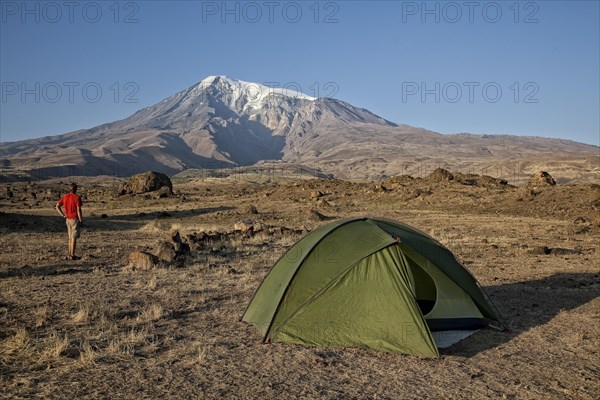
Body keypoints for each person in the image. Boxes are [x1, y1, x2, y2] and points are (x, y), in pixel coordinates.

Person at [55, 183, 83, 260]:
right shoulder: (77, 198)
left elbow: (57, 206)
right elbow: (78, 210)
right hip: (75, 219)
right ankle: (72, 255)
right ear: (75, 189)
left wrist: (63, 215)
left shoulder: (65, 197)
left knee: (70, 238)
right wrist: (81, 220)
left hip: (68, 219)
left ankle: (69, 254)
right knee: (74, 238)